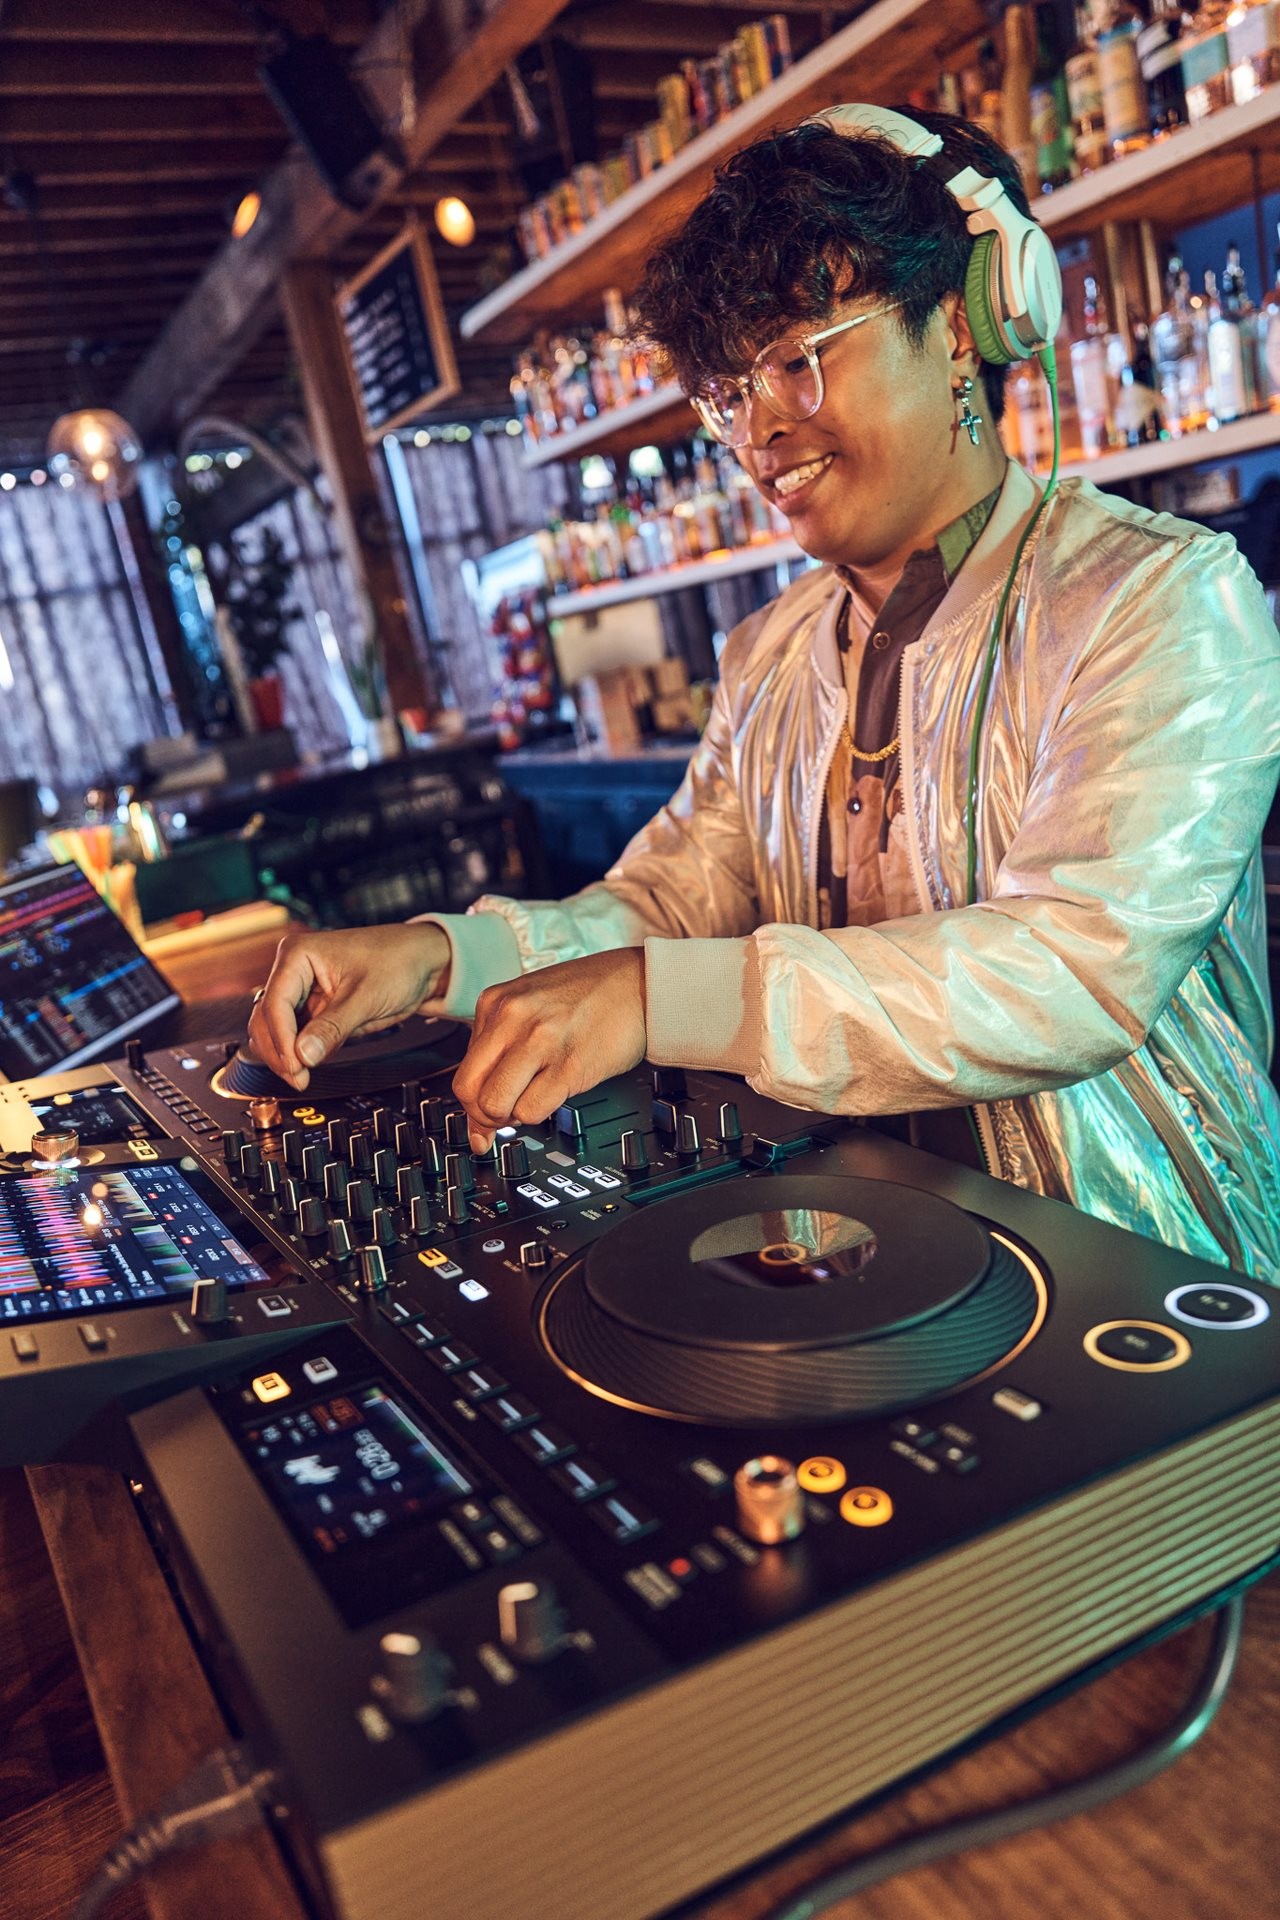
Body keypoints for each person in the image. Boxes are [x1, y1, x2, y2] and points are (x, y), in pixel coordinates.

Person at [251, 107, 1280, 1277]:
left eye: (797, 358)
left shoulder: (1158, 598)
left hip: (1148, 1276)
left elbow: (1068, 969)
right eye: (728, 389)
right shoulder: (771, 652)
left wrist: (664, 996)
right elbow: (670, 900)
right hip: (865, 1257)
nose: (758, 430)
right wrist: (439, 959)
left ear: (957, 326)